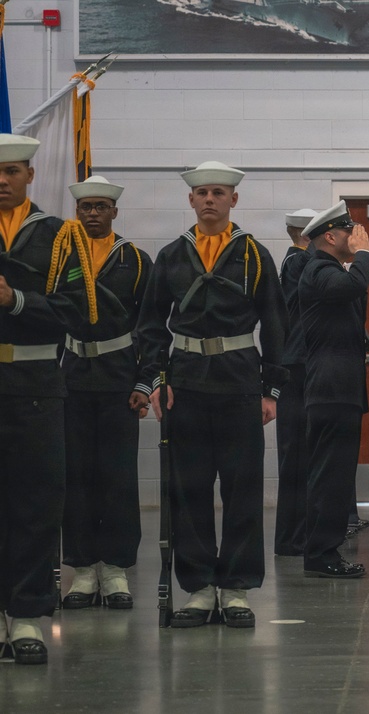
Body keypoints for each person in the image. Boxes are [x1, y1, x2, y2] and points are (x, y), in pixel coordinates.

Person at [135, 161, 287, 627]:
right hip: (186, 384)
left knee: (243, 489)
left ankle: (237, 589)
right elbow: (149, 325)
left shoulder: (255, 255)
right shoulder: (171, 256)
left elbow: (278, 326)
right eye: (202, 193)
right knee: (190, 490)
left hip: (240, 381)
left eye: (218, 193)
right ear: (191, 200)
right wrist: (157, 379)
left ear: (233, 201)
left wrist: (272, 390)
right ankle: (199, 589)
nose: (209, 200)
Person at [0, 134, 93, 664]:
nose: (2, 180)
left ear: (31, 176)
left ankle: (29, 615)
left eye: (13, 171)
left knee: (36, 504)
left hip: (35, 385)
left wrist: (17, 302)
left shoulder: (61, 238)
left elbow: (78, 314)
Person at [60, 176, 152, 611]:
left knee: (117, 477)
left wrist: (144, 381)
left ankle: (115, 568)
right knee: (76, 476)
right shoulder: (61, 259)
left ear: (115, 211)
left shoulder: (134, 260)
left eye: (100, 207)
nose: (92, 213)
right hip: (73, 378)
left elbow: (152, 329)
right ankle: (82, 569)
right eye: (85, 207)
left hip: (119, 379)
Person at [298, 201, 369, 579]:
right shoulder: (317, 268)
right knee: (331, 476)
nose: (356, 235)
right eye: (349, 231)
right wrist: (364, 254)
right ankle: (321, 553)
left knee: (336, 474)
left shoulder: (328, 269)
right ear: (330, 236)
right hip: (330, 389)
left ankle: (323, 549)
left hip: (340, 388)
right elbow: (353, 285)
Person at [274, 208, 317, 557]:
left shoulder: (296, 263)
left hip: (296, 364)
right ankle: (292, 537)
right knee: (297, 455)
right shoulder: (300, 264)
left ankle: (298, 534)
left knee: (301, 455)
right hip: (297, 367)